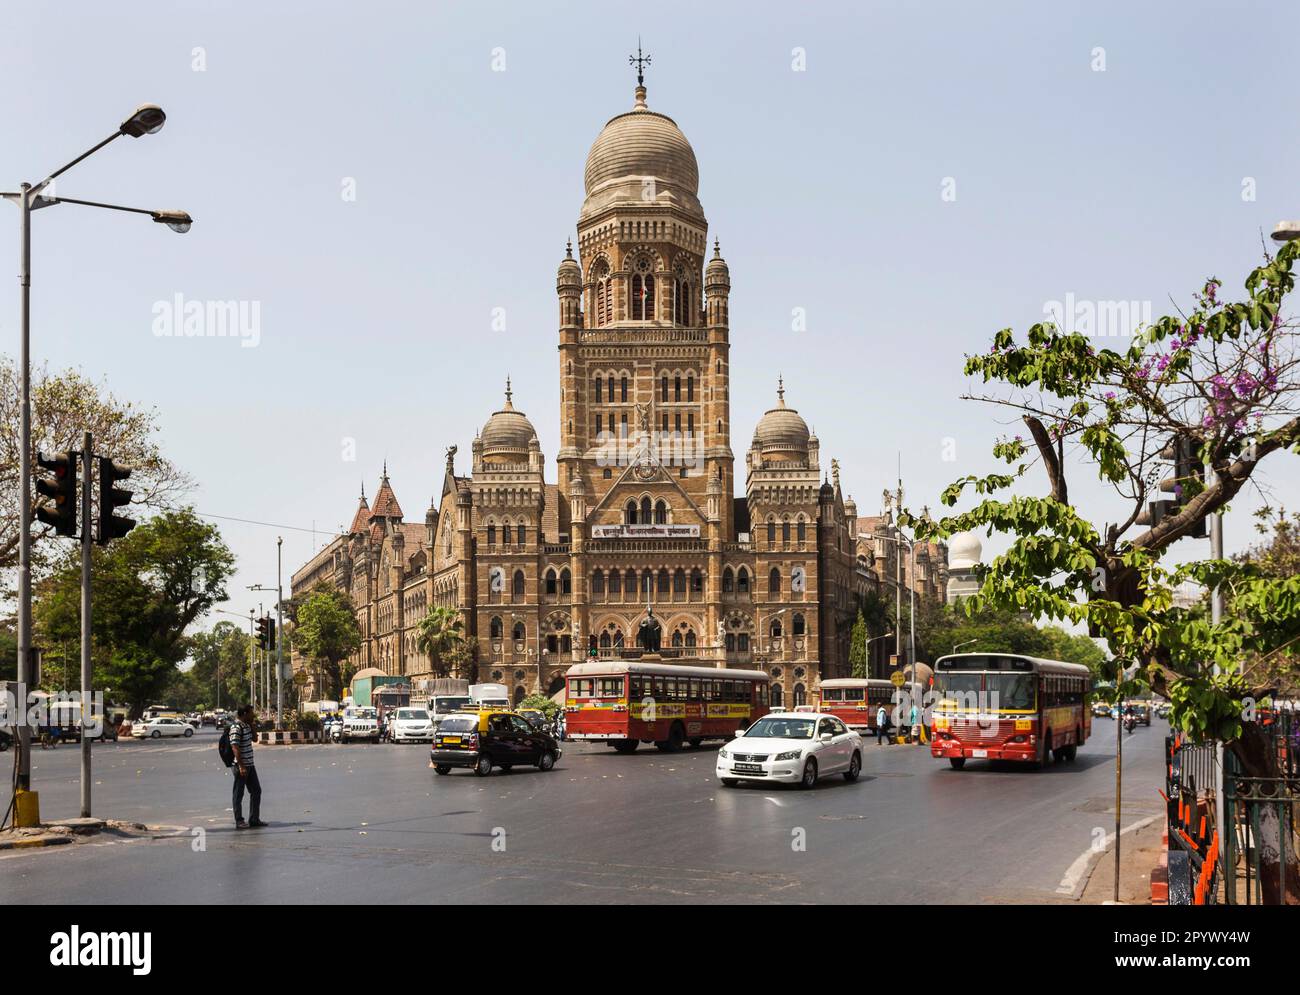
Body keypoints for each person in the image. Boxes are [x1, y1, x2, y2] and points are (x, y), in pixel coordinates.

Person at [230, 704, 265, 829]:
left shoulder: (247, 725)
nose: (253, 715)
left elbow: (255, 739)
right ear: (244, 713)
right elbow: (235, 747)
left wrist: (252, 725)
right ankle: (239, 821)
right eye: (251, 713)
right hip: (241, 766)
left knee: (256, 791)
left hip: (250, 764)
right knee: (238, 794)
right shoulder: (236, 727)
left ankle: (254, 819)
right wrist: (241, 766)